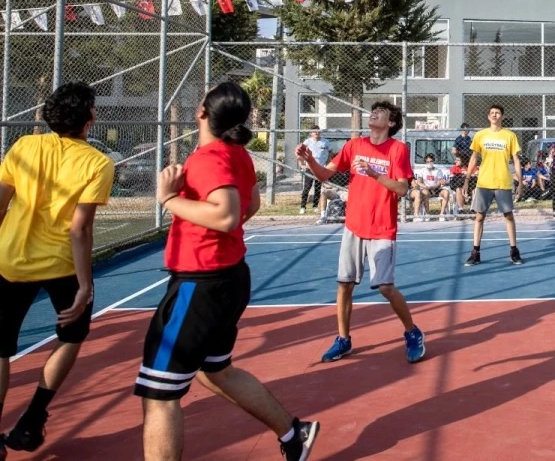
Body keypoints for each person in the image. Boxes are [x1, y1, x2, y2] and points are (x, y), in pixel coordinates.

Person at [136, 83, 319, 461]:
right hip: (227, 278)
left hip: (199, 284)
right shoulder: (237, 154)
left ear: (203, 111)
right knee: (216, 371)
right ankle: (293, 433)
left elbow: (227, 213)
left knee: (159, 396)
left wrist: (169, 199)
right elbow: (247, 205)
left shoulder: (208, 158)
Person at [0, 83, 112, 455]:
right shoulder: (97, 163)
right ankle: (32, 418)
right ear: (90, 117)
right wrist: (85, 285)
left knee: (0, 349)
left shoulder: (24, 147)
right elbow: (79, 229)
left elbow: (0, 205)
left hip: (10, 259)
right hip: (62, 264)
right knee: (72, 335)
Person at [296, 101, 425, 365]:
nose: (374, 113)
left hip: (382, 229)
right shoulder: (354, 145)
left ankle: (413, 333)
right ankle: (343, 339)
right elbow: (324, 175)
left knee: (386, 288)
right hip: (354, 226)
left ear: (390, 123)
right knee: (344, 285)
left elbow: (401, 190)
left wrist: (376, 175)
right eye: (373, 110)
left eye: (381, 112)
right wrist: (309, 160)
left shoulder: (398, 150)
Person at [465, 105, 523, 266]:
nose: (494, 115)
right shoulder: (480, 135)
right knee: (479, 216)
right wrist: (467, 178)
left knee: (508, 216)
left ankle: (514, 251)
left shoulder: (509, 135)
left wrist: (520, 182)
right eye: (492, 113)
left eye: (497, 113)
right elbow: (474, 158)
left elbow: (516, 160)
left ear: (502, 116)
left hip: (503, 182)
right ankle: (475, 252)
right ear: (488, 116)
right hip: (484, 182)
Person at [299, 129, 331, 216]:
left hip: (320, 168)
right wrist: (301, 164)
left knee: (318, 188)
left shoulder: (325, 142)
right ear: (311, 133)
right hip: (310, 168)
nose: (316, 133)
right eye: (314, 132)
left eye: (318, 131)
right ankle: (303, 207)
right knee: (307, 187)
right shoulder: (307, 142)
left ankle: (315, 206)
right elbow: (300, 154)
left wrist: (328, 164)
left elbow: (330, 153)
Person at [414, 154, 448, 221]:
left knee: (446, 192)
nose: (429, 163)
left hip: (436, 188)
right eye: (428, 162)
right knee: (424, 192)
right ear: (425, 162)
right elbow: (419, 182)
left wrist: (433, 187)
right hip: (427, 189)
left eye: (431, 161)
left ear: (434, 161)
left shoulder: (438, 170)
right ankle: (427, 214)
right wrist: (426, 187)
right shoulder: (422, 170)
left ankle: (442, 214)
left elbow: (439, 182)